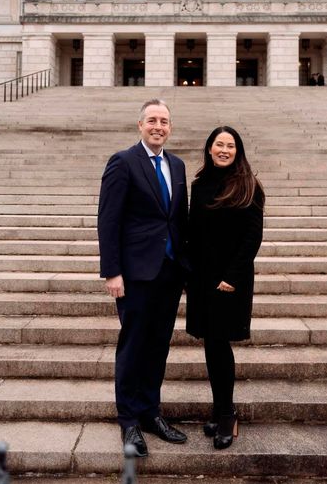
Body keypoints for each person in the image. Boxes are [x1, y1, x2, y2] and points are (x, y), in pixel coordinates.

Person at [98, 99, 189, 457]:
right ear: (140, 125)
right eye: (152, 120)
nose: (158, 126)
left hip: (169, 273)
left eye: (164, 121)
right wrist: (112, 271)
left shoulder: (177, 164)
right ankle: (129, 421)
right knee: (134, 345)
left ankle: (151, 413)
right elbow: (108, 219)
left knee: (158, 346)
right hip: (135, 274)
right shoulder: (123, 161)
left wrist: (185, 266)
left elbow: (178, 220)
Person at [186, 126, 265, 450]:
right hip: (202, 279)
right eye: (218, 144)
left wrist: (231, 277)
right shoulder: (200, 185)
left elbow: (252, 237)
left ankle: (227, 414)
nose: (224, 149)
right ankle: (221, 412)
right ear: (209, 149)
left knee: (219, 345)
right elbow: (192, 231)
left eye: (230, 145)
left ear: (238, 150)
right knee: (211, 345)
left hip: (230, 281)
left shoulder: (249, 186)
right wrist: (189, 273)